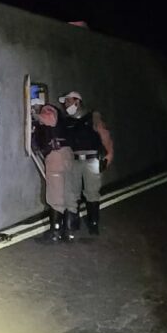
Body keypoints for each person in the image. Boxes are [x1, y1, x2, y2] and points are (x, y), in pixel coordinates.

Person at [59, 91, 114, 235]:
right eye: (65, 102)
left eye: (68, 101)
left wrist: (109, 154)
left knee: (92, 192)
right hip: (74, 160)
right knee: (71, 193)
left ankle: (93, 224)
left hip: (92, 160)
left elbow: (104, 135)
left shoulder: (92, 117)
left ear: (77, 102)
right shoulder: (67, 121)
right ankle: (71, 226)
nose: (66, 104)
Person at [33, 103, 80, 241]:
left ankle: (55, 232)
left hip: (56, 156)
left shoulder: (48, 109)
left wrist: (34, 115)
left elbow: (50, 118)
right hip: (67, 155)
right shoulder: (63, 119)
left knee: (55, 196)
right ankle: (70, 231)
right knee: (68, 193)